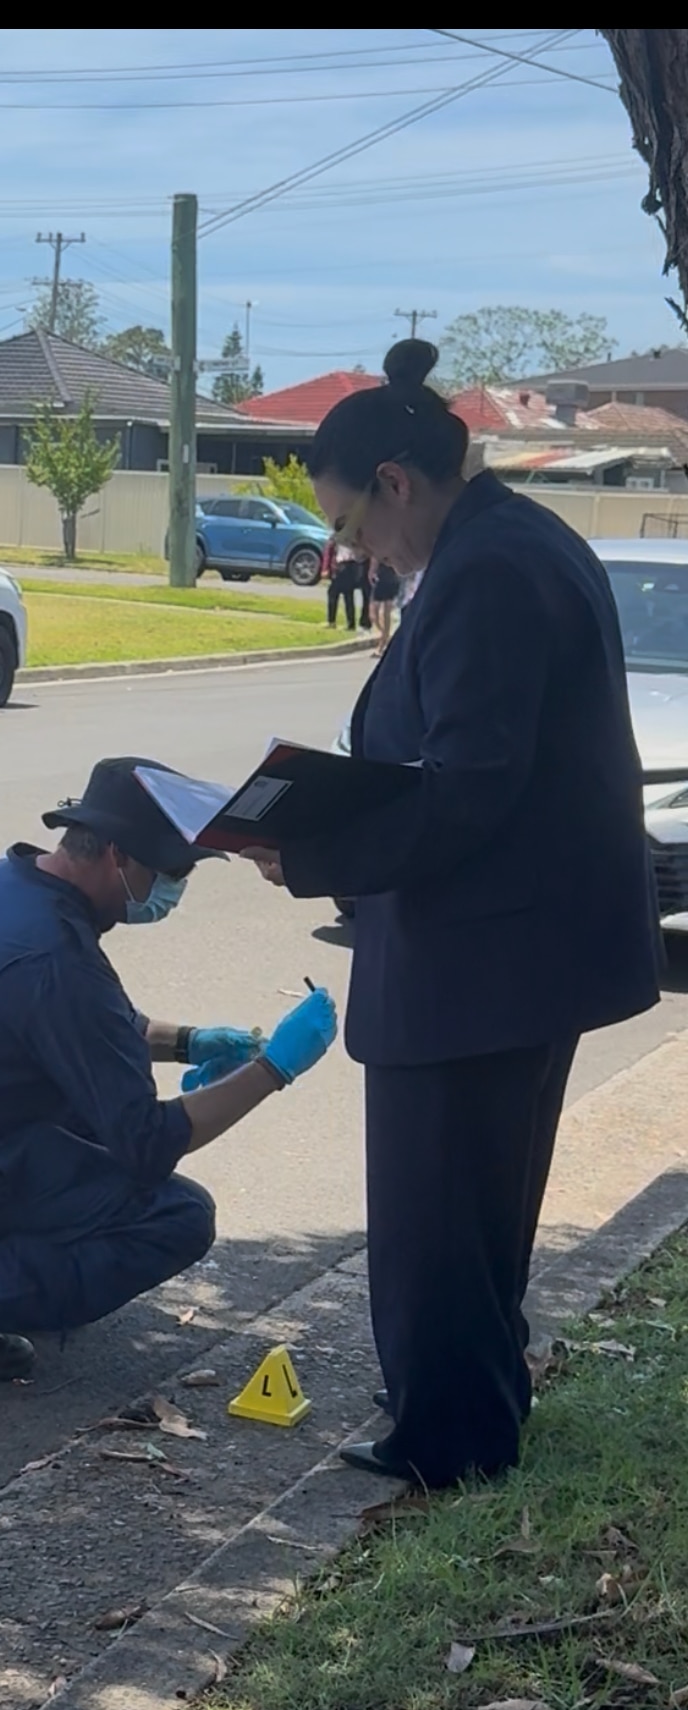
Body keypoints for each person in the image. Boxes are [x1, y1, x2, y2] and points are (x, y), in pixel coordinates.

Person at [242, 338, 661, 1490]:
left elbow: (469, 784)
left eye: (354, 527)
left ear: (398, 482)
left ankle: (455, 1442)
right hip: (520, 949)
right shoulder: (516, 543)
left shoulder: (485, 571)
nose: (351, 554)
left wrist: (313, 847)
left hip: (482, 956)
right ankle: (476, 1404)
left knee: (440, 1216)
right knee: (478, 1211)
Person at [0, 756, 337, 1382]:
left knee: (85, 1122)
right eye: (170, 871)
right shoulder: (56, 958)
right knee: (175, 1216)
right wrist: (273, 1068)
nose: (175, 888)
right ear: (118, 857)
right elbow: (148, 1143)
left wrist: (194, 1042)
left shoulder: (3, 886)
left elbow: (89, 1032)